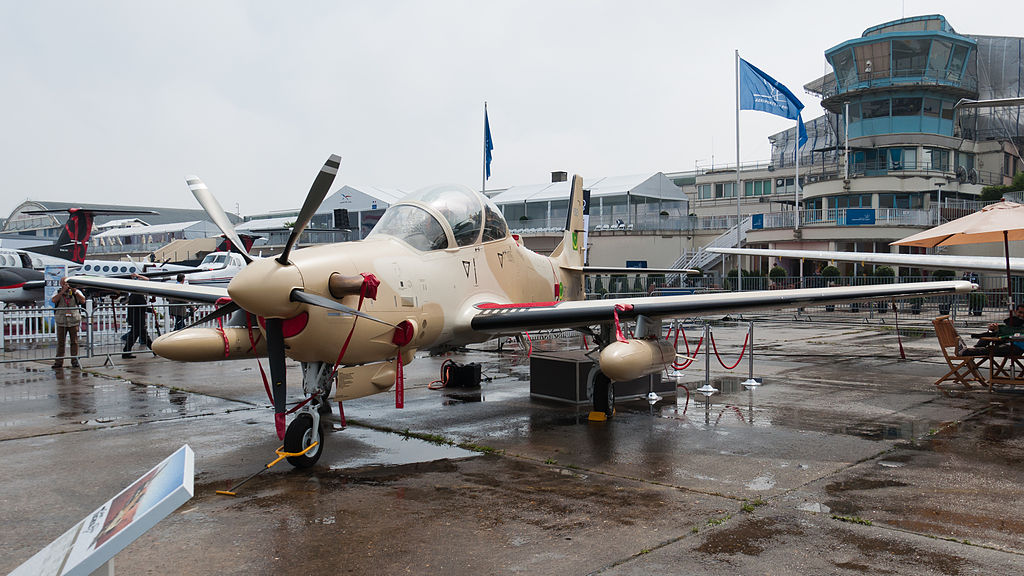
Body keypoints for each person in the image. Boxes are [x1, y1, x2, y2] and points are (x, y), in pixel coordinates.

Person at [51, 276, 85, 368]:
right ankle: (58, 362)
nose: (66, 285)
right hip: (61, 320)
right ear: (61, 284)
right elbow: (53, 300)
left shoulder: (76, 292)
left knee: (74, 341)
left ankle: (74, 360)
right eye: (64, 283)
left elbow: (82, 300)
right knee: (61, 342)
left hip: (73, 320)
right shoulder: (57, 292)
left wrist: (74, 291)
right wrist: (62, 291)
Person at [122, 273, 151, 359]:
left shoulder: (134, 293)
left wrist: (138, 276)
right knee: (136, 335)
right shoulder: (138, 294)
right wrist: (150, 310)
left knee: (141, 335)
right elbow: (142, 306)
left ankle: (154, 350)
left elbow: (147, 280)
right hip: (137, 318)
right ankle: (125, 352)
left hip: (136, 318)